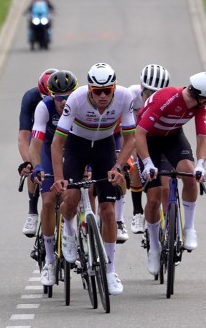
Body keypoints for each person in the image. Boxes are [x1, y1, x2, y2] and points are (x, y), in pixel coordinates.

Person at [51, 62, 135, 296]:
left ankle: (109, 271)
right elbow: (58, 143)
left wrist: (118, 167)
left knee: (108, 210)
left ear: (114, 88)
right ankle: (68, 230)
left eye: (106, 90)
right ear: (88, 89)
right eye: (96, 91)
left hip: (104, 148)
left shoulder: (124, 97)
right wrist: (59, 177)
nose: (101, 96)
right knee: (71, 194)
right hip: (76, 148)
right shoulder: (76, 99)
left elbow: (130, 139)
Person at [136, 71, 206, 276]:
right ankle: (155, 248)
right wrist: (148, 163)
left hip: (172, 137)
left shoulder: (200, 106)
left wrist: (201, 164)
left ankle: (189, 228)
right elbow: (139, 133)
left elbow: (202, 138)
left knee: (191, 176)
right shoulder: (167, 98)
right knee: (154, 197)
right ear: (199, 94)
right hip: (148, 140)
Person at [28, 70, 78, 286]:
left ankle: (73, 232)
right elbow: (36, 142)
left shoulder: (81, 104)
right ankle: (49, 260)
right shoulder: (44, 107)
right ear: (51, 96)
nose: (64, 102)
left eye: (68, 97)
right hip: (50, 148)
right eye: (59, 98)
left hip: (74, 147)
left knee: (75, 194)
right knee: (48, 201)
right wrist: (37, 166)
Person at [126, 64, 171, 234]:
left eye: (157, 94)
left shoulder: (168, 100)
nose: (151, 97)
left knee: (165, 186)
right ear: (141, 87)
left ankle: (168, 220)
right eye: (148, 93)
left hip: (158, 135)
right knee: (136, 163)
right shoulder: (132, 96)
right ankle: (137, 212)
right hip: (138, 132)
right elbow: (129, 129)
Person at [17, 68, 58, 236]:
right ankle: (32, 212)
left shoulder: (67, 99)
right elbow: (24, 136)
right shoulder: (31, 98)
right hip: (41, 139)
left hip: (62, 139)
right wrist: (29, 162)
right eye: (45, 97)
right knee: (34, 166)